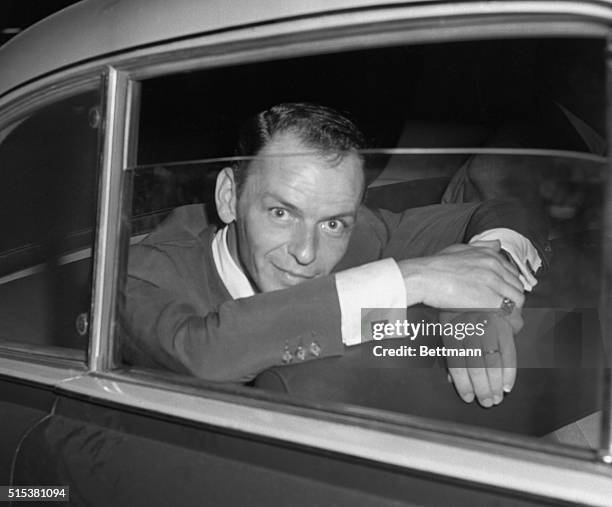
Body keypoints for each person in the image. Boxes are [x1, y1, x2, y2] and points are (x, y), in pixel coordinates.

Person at [122, 103, 548, 408]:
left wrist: (473, 305)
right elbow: (204, 357)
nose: (306, 253)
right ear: (229, 197)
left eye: (333, 223)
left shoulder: (358, 234)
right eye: (281, 212)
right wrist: (415, 280)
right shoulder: (141, 275)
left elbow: (500, 213)